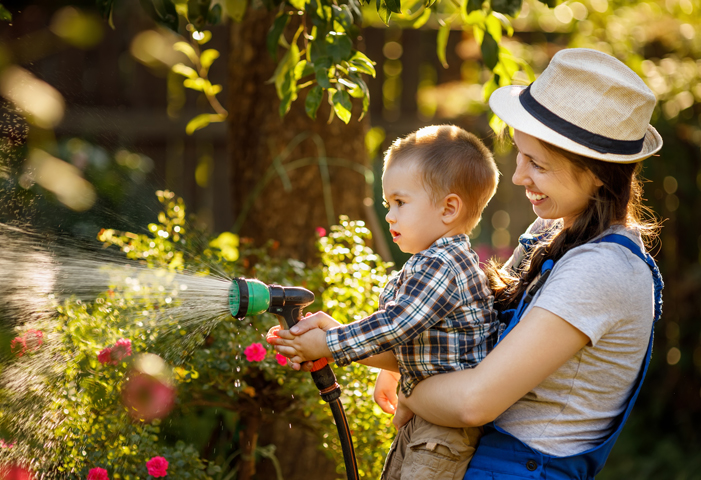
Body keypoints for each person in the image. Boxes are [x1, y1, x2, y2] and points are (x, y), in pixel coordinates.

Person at [272, 48, 664, 480]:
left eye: (538, 164)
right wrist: (337, 333)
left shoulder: (603, 270)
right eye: (520, 154)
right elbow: (470, 351)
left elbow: (472, 400)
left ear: (596, 173)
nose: (517, 176)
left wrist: (409, 389)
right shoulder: (549, 234)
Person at [270, 124, 502, 480]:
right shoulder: (432, 260)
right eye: (387, 204)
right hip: (426, 417)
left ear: (448, 208)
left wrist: (327, 343)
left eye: (400, 203)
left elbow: (395, 324)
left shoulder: (442, 265)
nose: (390, 215)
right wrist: (390, 369)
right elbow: (419, 332)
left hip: (444, 432)